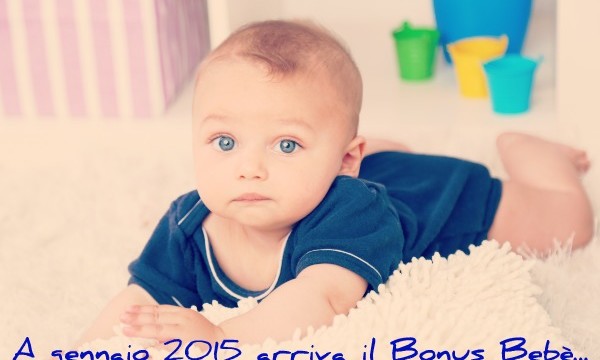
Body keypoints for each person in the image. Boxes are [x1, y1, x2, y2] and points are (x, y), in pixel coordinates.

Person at [76, 20, 594, 347]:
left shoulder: (348, 213)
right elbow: (139, 297)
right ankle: (377, 152)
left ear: (346, 161)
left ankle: (530, 153)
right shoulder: (190, 223)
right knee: (361, 166)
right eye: (225, 142)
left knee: (567, 224)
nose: (248, 168)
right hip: (360, 169)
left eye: (285, 145)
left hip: (450, 202)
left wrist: (220, 337)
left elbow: (322, 298)